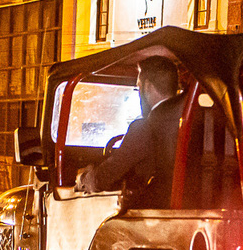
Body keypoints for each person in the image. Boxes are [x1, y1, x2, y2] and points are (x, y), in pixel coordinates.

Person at [77, 56, 183, 207]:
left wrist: (84, 179)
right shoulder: (185, 119)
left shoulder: (145, 127)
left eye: (138, 87)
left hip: (153, 209)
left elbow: (108, 174)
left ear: (147, 87)